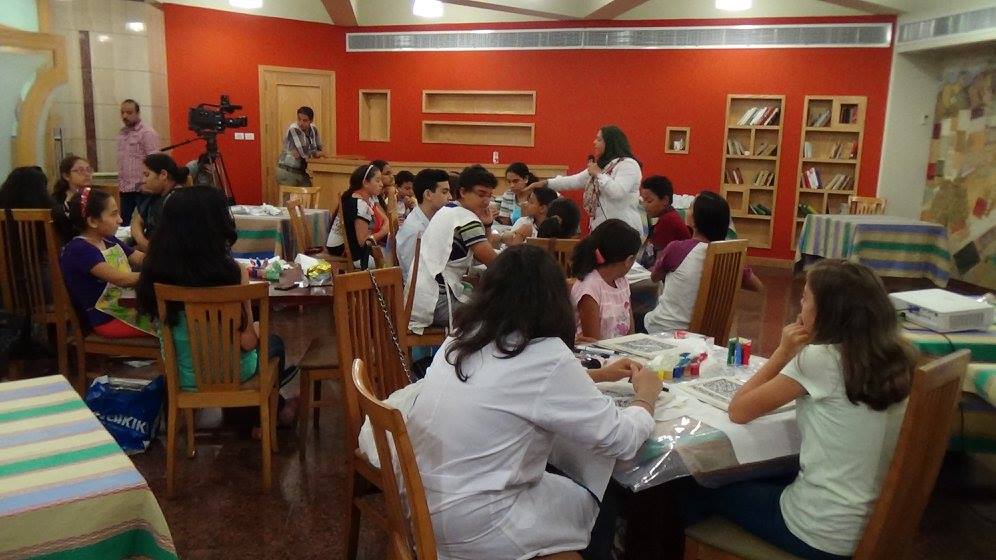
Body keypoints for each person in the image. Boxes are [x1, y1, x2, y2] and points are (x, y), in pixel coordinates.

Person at [404, 244, 661, 560]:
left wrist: (598, 375)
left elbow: (514, 385)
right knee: (598, 496)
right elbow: (620, 438)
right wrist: (646, 396)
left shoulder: (462, 336)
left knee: (568, 480)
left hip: (422, 506)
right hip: (476, 525)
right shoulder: (545, 354)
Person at [679, 260, 917, 560]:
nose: (799, 309)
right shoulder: (895, 357)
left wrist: (783, 352)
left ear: (828, 313)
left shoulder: (822, 359)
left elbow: (739, 410)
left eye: (804, 300)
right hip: (868, 522)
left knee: (694, 486)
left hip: (818, 532)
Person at [136, 186, 298, 426]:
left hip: (180, 375)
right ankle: (265, 418)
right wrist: (256, 326)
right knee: (273, 343)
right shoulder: (232, 273)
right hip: (232, 372)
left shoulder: (153, 272)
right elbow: (247, 342)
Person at [643, 191, 762, 334]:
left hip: (667, 330)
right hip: (709, 336)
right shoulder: (731, 256)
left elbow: (654, 277)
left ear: (694, 220)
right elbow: (757, 286)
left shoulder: (677, 249)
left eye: (690, 207)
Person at [408, 165, 499, 333]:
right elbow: (493, 262)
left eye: (489, 195)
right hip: (437, 303)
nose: (486, 201)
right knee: (496, 317)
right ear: (463, 192)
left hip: (419, 300)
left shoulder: (448, 210)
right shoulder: (466, 218)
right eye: (481, 194)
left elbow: (480, 255)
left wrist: (487, 225)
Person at [59, 188, 149, 338]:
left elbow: (139, 258)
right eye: (114, 214)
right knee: (170, 323)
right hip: (106, 319)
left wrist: (166, 261)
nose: (120, 220)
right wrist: (158, 273)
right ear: (92, 221)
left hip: (124, 309)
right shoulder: (79, 249)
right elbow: (121, 279)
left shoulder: (108, 239)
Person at [530, 125, 643, 235]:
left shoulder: (628, 164)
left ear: (610, 143)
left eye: (599, 139)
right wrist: (546, 183)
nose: (594, 142)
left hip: (624, 231)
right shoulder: (602, 166)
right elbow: (575, 181)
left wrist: (598, 174)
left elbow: (618, 192)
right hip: (601, 229)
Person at [571, 219, 642, 343]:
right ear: (629, 260)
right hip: (596, 352)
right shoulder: (590, 288)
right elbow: (593, 343)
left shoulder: (622, 281)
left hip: (619, 350)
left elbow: (631, 334)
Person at [397, 168, 451, 284]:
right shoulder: (416, 229)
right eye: (444, 192)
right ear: (428, 194)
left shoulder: (428, 219)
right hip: (421, 291)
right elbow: (412, 274)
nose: (450, 197)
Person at [326, 164, 384, 269]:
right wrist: (384, 231)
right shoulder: (360, 204)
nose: (381, 184)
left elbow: (383, 220)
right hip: (346, 251)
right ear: (365, 183)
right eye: (378, 180)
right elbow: (363, 242)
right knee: (389, 260)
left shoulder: (365, 199)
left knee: (389, 253)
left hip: (352, 246)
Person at [131, 153, 189, 252]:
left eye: (147, 175)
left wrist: (139, 240)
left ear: (163, 175)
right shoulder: (155, 195)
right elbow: (137, 220)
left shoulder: (177, 201)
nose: (143, 180)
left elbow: (166, 249)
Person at [117, 99, 160, 226]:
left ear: (137, 113)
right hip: (126, 188)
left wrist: (149, 184)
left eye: (129, 112)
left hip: (142, 187)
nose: (125, 116)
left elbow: (154, 160)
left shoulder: (147, 133)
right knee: (123, 222)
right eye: (122, 112)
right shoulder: (122, 134)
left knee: (146, 221)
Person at [639, 175, 690, 268]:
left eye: (649, 201)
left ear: (665, 200)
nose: (645, 205)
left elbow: (659, 265)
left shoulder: (667, 221)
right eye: (643, 200)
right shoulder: (669, 215)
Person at [276, 106, 326, 187]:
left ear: (311, 121)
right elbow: (303, 152)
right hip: (287, 170)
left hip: (301, 171)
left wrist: (316, 152)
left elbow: (319, 148)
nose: (301, 123)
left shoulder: (313, 129)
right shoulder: (293, 129)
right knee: (291, 196)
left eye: (305, 120)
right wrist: (315, 153)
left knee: (310, 192)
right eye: (299, 119)